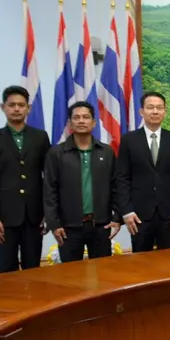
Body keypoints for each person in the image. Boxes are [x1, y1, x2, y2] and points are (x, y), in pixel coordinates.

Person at [0, 85, 50, 273]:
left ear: (29, 108)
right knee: (6, 270)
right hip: (4, 217)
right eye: (12, 105)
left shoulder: (40, 137)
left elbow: (48, 177)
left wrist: (48, 212)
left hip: (34, 216)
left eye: (21, 105)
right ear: (3, 107)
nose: (17, 109)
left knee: (33, 269)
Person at [43, 101, 121, 262]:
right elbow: (49, 190)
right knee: (71, 274)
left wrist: (117, 217)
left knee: (103, 272)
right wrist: (54, 224)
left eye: (86, 117)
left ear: (93, 122)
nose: (81, 121)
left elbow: (116, 186)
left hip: (101, 225)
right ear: (70, 123)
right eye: (76, 117)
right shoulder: (56, 153)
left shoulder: (106, 152)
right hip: (68, 228)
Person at [116, 91, 170, 252]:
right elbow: (122, 178)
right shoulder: (129, 140)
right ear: (141, 111)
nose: (155, 111)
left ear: (165, 112)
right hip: (138, 214)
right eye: (150, 107)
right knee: (141, 261)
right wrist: (126, 211)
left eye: (159, 108)